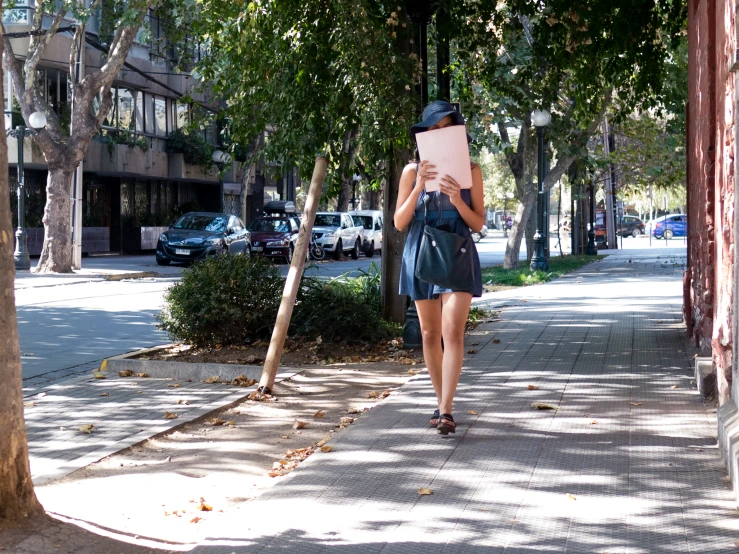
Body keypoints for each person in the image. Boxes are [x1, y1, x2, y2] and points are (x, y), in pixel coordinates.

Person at [394, 101, 484, 435]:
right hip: (421, 251)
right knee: (430, 333)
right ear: (424, 135)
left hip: (457, 249)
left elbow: (478, 223)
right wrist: (419, 185)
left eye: (446, 127)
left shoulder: (471, 171)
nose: (439, 133)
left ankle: (446, 410)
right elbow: (399, 222)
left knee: (452, 331)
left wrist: (458, 200)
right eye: (433, 128)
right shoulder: (409, 171)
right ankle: (439, 400)